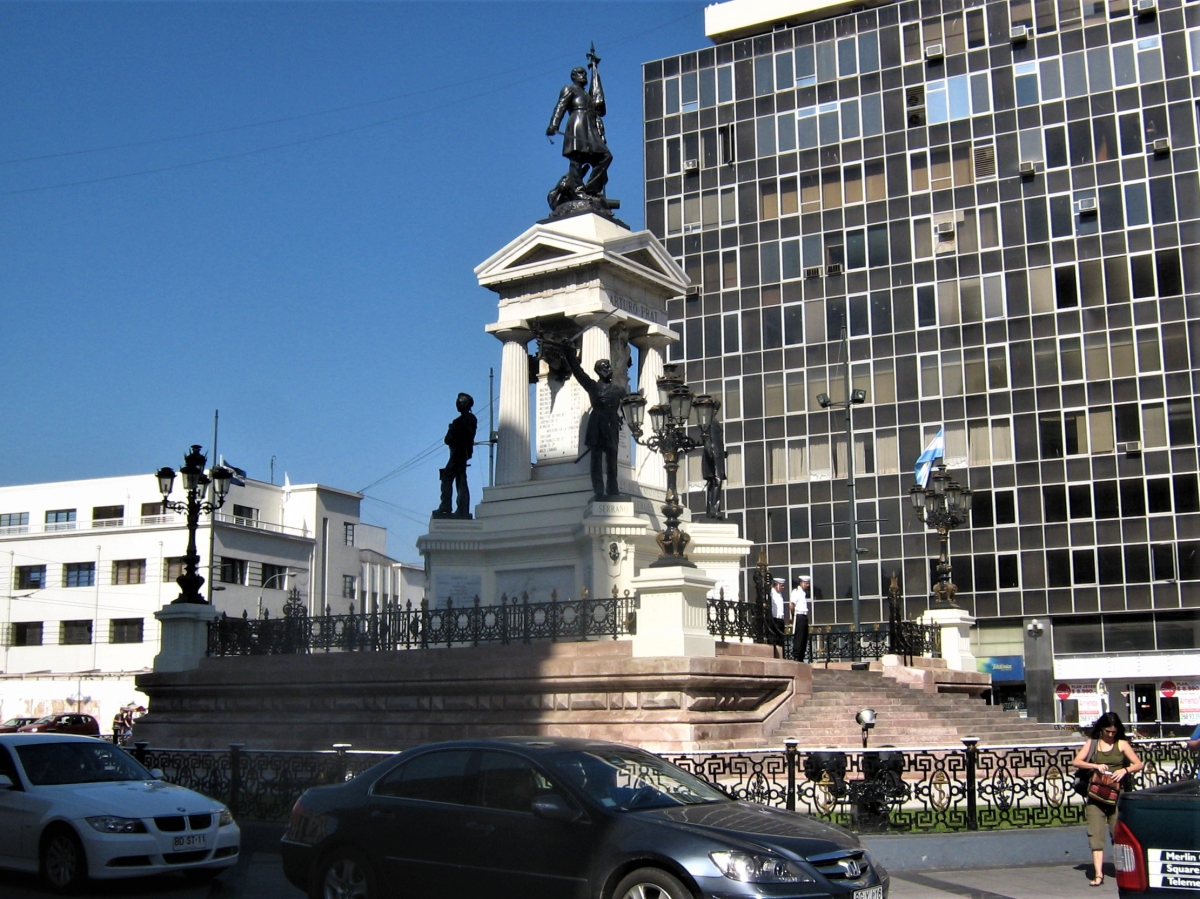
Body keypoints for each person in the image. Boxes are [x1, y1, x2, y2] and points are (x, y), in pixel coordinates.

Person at [1072, 712, 1143, 887]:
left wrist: (1124, 771)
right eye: (1107, 731)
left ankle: (1124, 871)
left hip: (1115, 795)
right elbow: (1077, 761)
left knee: (1119, 834)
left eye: (1113, 731)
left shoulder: (1121, 744)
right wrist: (1095, 766)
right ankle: (1098, 874)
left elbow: (1138, 763)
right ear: (1101, 729)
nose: (1110, 735)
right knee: (1095, 835)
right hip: (1096, 794)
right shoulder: (1093, 743)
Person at [546, 47, 612, 207]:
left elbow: (599, 108)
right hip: (577, 123)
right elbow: (560, 107)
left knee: (606, 156)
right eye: (581, 73)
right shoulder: (570, 89)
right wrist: (554, 124)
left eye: (585, 73)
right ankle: (577, 190)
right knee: (577, 159)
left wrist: (595, 68)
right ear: (574, 76)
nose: (584, 76)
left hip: (590, 127)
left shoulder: (588, 95)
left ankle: (589, 188)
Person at [564, 348, 625, 499]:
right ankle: (598, 489)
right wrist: (569, 354)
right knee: (596, 459)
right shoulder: (593, 386)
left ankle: (612, 488)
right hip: (597, 423)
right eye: (605, 366)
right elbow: (579, 373)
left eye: (609, 366)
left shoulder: (618, 390)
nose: (609, 369)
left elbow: (630, 406)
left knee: (612, 458)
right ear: (599, 370)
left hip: (611, 424)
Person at [436, 393, 478, 518]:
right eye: (457, 401)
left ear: (466, 404)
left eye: (460, 402)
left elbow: (464, 436)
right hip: (458, 452)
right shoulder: (463, 420)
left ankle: (446, 506)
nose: (458, 404)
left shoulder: (467, 419)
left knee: (447, 478)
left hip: (459, 452)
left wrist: (453, 430)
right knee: (460, 479)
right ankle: (461, 508)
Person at [701, 400, 726, 519]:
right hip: (713, 455)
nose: (715, 411)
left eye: (716, 409)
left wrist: (722, 452)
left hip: (718, 454)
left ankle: (712, 510)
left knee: (714, 482)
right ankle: (714, 510)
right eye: (714, 409)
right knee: (716, 481)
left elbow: (717, 441)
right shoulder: (708, 422)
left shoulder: (713, 422)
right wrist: (709, 450)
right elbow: (706, 439)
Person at [791, 574, 811, 663]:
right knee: (799, 637)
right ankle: (797, 656)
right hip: (799, 615)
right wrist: (793, 616)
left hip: (804, 616)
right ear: (801, 583)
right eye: (806, 583)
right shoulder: (796, 592)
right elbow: (792, 605)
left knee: (804, 637)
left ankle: (801, 656)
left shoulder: (803, 593)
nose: (808, 585)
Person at [769, 577, 788, 650]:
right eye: (781, 585)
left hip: (780, 619)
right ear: (776, 585)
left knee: (781, 639)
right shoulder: (772, 593)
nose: (783, 587)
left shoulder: (779, 594)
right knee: (775, 639)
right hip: (775, 619)